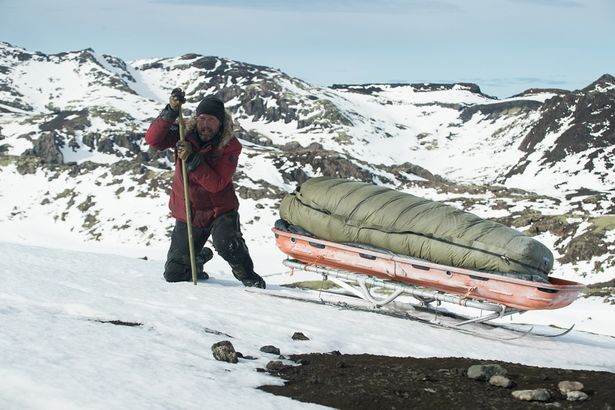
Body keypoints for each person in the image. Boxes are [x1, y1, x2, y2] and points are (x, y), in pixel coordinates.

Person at [145, 88, 266, 288]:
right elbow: (153, 139)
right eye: (202, 118)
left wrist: (192, 159)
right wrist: (171, 111)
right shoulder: (184, 133)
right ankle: (198, 258)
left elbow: (216, 184)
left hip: (220, 210)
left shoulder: (230, 145)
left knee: (229, 246)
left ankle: (250, 278)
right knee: (174, 274)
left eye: (211, 120)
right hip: (190, 212)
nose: (205, 124)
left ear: (220, 123)